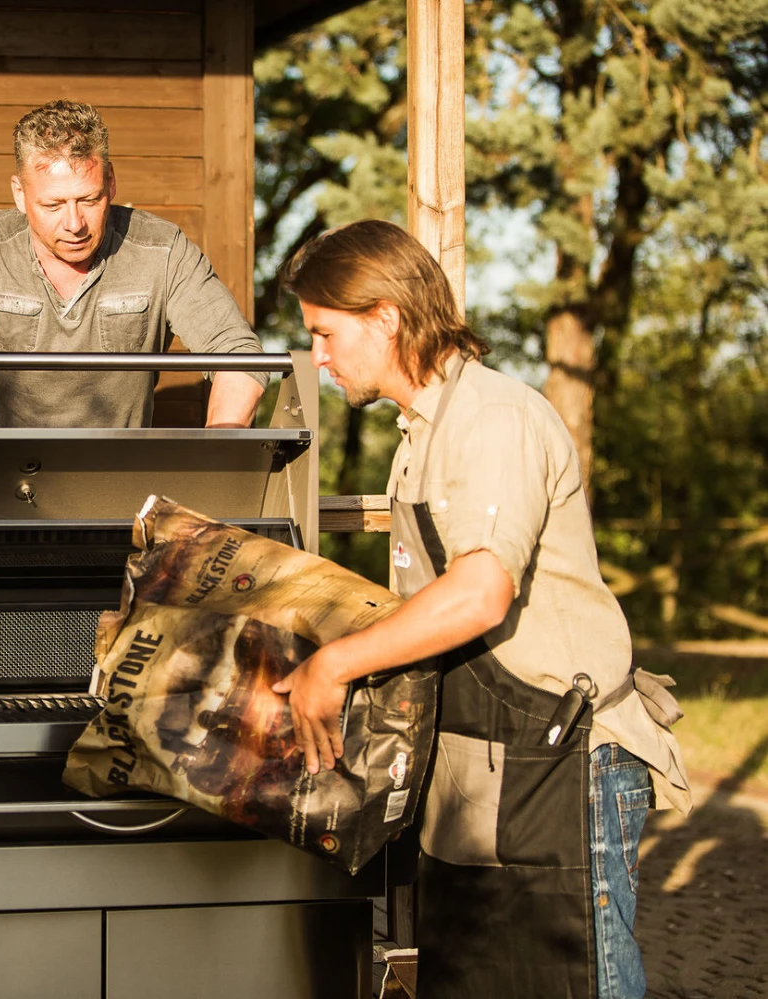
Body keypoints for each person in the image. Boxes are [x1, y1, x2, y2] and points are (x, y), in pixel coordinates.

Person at [270, 219, 690, 999]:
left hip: (564, 763)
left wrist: (337, 663)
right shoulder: (420, 434)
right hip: (488, 770)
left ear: (386, 317)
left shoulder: (492, 418)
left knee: (572, 981)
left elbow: (479, 591)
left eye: (326, 333)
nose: (318, 356)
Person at [0, 99, 266, 429]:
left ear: (110, 181)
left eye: (90, 199)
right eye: (53, 205)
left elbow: (238, 355)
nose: (75, 223)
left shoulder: (163, 250)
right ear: (19, 194)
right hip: (0, 477)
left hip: (118, 477)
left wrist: (221, 457)